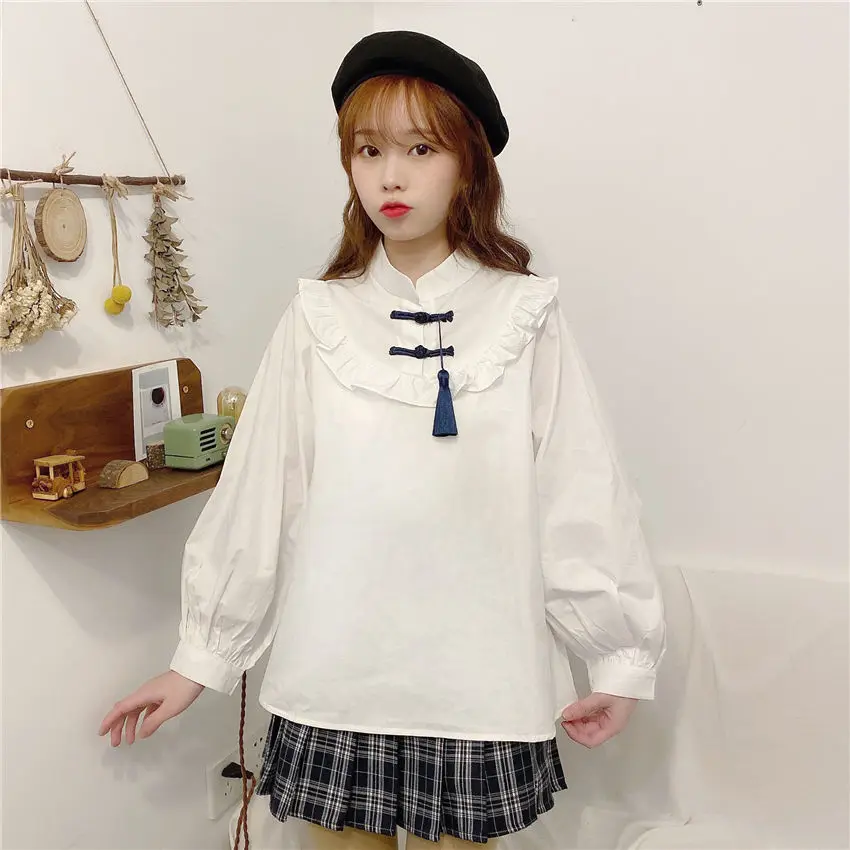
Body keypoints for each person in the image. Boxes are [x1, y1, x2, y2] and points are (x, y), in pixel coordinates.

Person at [99, 30, 666, 849]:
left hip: (480, 677)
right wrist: (201, 659)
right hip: (335, 673)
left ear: (468, 164)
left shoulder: (525, 315)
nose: (390, 176)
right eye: (369, 150)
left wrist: (617, 656)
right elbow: (263, 491)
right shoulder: (318, 317)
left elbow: (579, 491)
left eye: (419, 148)